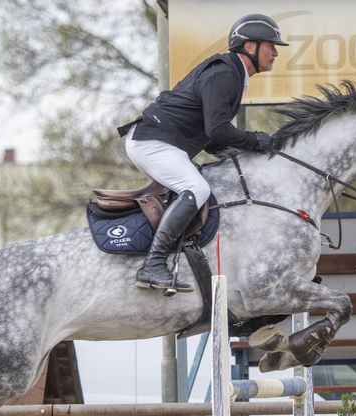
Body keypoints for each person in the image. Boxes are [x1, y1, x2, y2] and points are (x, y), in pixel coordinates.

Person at [118, 13, 287, 293]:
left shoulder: (232, 74)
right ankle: (153, 266)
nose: (276, 53)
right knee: (196, 188)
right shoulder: (225, 73)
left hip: (161, 142)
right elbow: (218, 131)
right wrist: (257, 140)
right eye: (271, 45)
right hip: (152, 142)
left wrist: (247, 154)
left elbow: (211, 139)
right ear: (250, 46)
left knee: (202, 185)